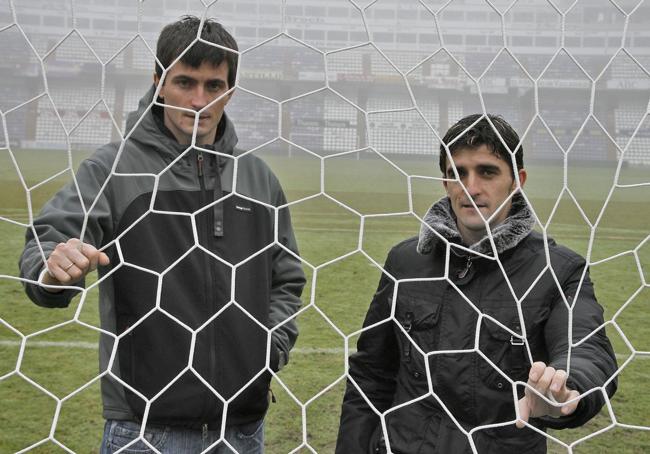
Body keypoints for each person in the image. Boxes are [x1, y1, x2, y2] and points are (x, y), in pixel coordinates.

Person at [20, 16, 305, 454]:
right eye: (185, 82)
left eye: (214, 86)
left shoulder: (257, 178)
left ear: (231, 89)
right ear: (158, 81)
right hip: (145, 430)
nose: (198, 100)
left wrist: (268, 351)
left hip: (242, 430)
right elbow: (50, 237)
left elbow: (286, 277)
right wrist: (53, 269)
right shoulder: (114, 168)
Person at [336, 114, 617, 453]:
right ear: (445, 183)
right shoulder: (405, 261)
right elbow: (370, 376)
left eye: (487, 171)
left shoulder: (557, 269)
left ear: (517, 181)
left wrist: (567, 388)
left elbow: (586, 347)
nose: (470, 188)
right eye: (457, 173)